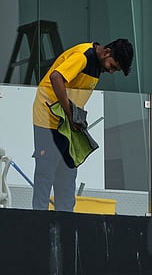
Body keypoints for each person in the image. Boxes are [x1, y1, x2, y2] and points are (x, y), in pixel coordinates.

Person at [32, 38, 134, 212]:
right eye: (113, 66)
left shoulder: (97, 65)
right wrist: (71, 113)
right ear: (107, 52)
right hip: (48, 117)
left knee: (68, 171)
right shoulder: (83, 56)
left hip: (67, 121)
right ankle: (39, 218)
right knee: (46, 170)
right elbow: (56, 77)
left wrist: (74, 116)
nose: (111, 71)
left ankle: (66, 220)